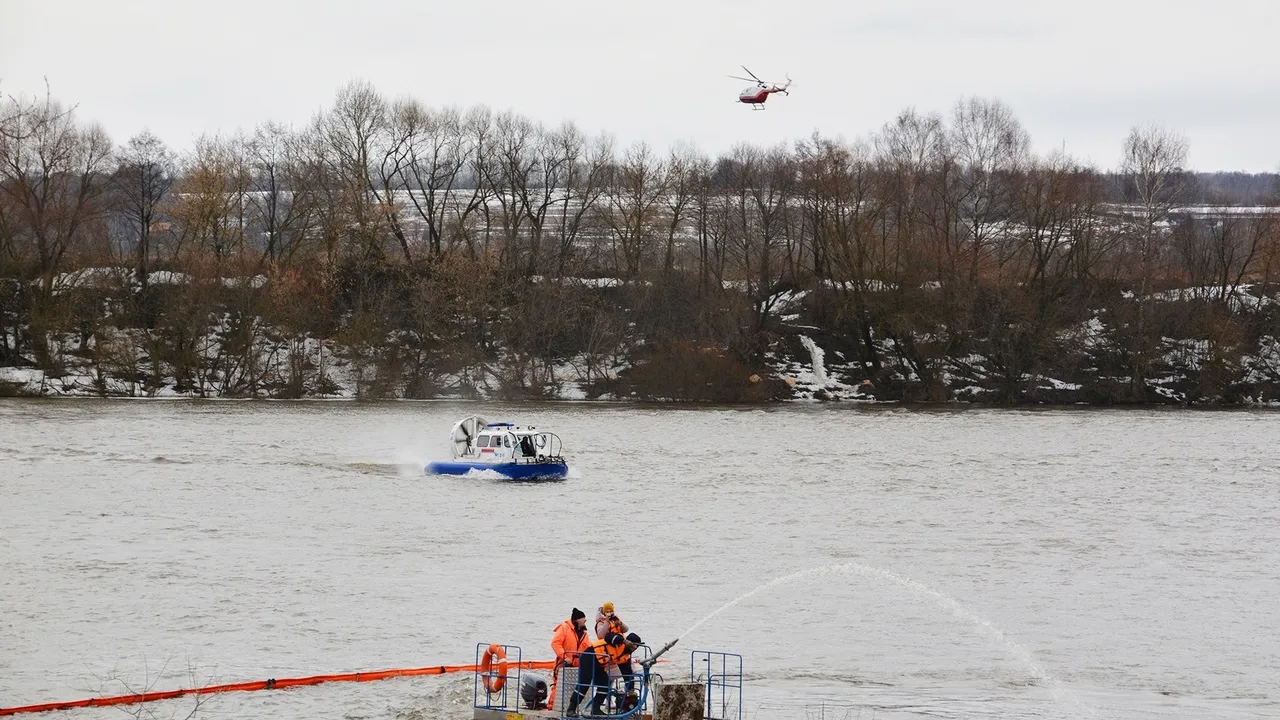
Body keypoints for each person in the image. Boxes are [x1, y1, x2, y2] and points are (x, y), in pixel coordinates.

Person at [566, 632, 627, 717]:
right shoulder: (619, 640)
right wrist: (623, 640)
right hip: (589, 657)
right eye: (634, 645)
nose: (635, 648)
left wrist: (629, 687)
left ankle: (596, 709)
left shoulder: (626, 655)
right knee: (584, 683)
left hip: (599, 663)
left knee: (605, 683)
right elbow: (608, 637)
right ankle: (571, 709)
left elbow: (627, 672)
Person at [549, 608, 590, 710]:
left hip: (578, 665)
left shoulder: (584, 633)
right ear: (577, 620)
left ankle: (574, 708)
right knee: (558, 686)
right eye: (583, 619)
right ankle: (552, 707)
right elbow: (555, 643)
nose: (585, 620)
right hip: (563, 664)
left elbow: (588, 647)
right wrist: (564, 656)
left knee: (576, 687)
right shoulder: (564, 628)